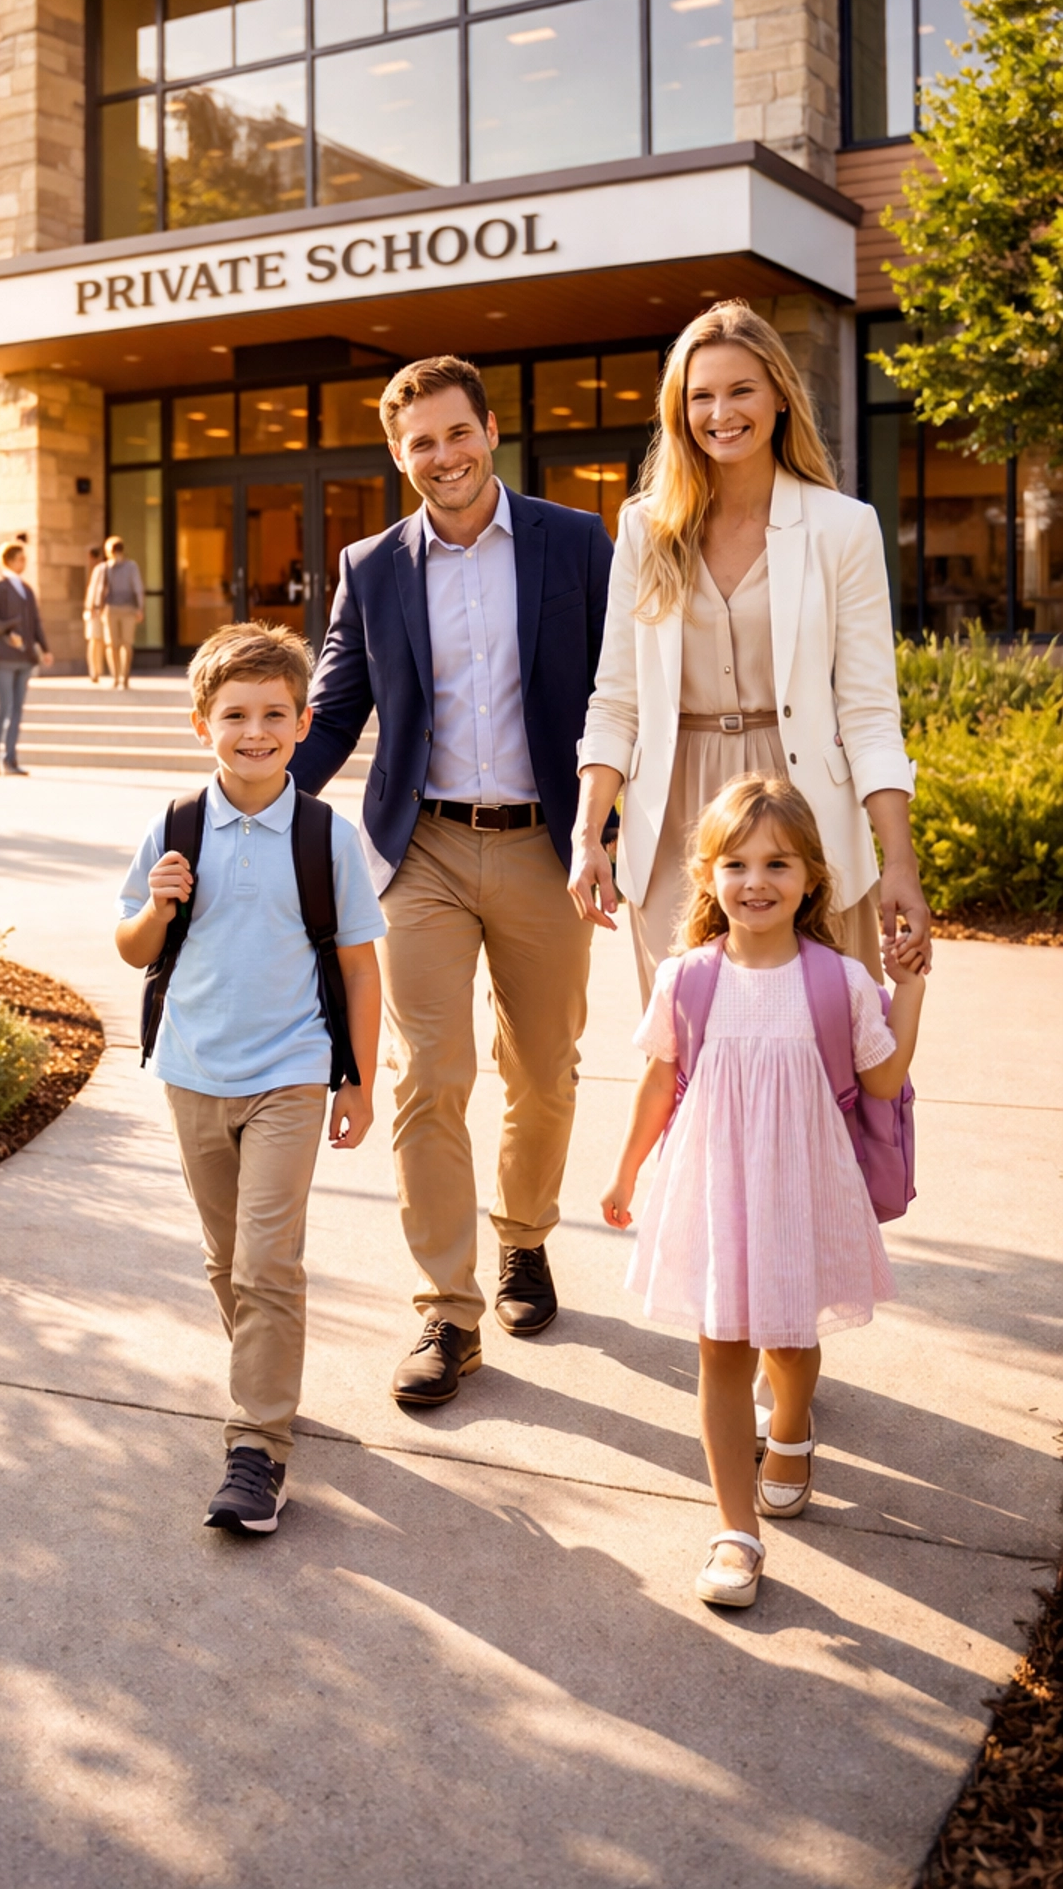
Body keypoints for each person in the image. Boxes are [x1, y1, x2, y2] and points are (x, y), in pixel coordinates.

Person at [294, 355, 613, 1408]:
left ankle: (524, 1240)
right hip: (422, 849)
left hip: (545, 846)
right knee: (429, 1073)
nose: (443, 457)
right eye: (420, 442)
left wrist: (618, 830)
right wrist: (259, 799)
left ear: (490, 430)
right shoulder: (371, 565)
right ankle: (446, 1308)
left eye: (456, 433)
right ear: (399, 455)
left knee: (544, 1067)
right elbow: (337, 710)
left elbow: (623, 694)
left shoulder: (574, 543)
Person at [600, 774, 923, 1608]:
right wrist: (627, 1167)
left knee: (788, 1336)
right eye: (735, 863)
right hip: (714, 1182)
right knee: (719, 1345)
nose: (755, 881)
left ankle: (790, 1426)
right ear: (706, 876)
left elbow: (883, 1077)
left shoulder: (838, 980)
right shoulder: (687, 978)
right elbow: (660, 1081)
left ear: (812, 877)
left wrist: (911, 984)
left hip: (801, 1185)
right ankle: (735, 1533)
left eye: (777, 863)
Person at [571, 299, 931, 1001]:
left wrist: (900, 862)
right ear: (679, 411)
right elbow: (616, 698)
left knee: (822, 1048)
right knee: (688, 1052)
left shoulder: (842, 528)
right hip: (677, 813)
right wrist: (591, 834)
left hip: (806, 813)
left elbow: (867, 712)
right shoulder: (646, 529)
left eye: (741, 390)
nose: (720, 412)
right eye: (700, 395)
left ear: (779, 398)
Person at [116, 622, 385, 1536]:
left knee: (268, 1260)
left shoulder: (325, 835)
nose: (256, 731)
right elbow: (131, 948)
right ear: (203, 724)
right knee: (228, 1259)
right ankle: (266, 1379)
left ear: (306, 722)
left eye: (276, 713)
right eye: (236, 715)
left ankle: (256, 1447)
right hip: (194, 1069)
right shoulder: (175, 825)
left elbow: (357, 964)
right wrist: (156, 904)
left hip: (292, 1072)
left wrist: (357, 1080)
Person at [0, 539, 54, 776]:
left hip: (24, 657)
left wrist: (45, 648)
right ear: (10, 560)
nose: (25, 562)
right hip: (2, 655)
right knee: (4, 707)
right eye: (21, 558)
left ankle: (10, 759)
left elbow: (36, 622)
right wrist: (11, 627)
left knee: (17, 710)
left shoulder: (27, 589)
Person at [98, 533, 144, 689]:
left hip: (127, 609)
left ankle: (123, 677)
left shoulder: (131, 566)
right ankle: (117, 676)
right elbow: (99, 589)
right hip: (111, 609)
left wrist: (139, 608)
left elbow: (138, 587)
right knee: (112, 644)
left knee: (126, 643)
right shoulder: (105, 568)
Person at [82, 544, 107, 684]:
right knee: (94, 640)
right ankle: (95, 669)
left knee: (97, 641)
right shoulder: (94, 569)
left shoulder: (101, 569)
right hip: (93, 609)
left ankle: (96, 670)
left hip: (96, 609)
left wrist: (92, 607)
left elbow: (96, 591)